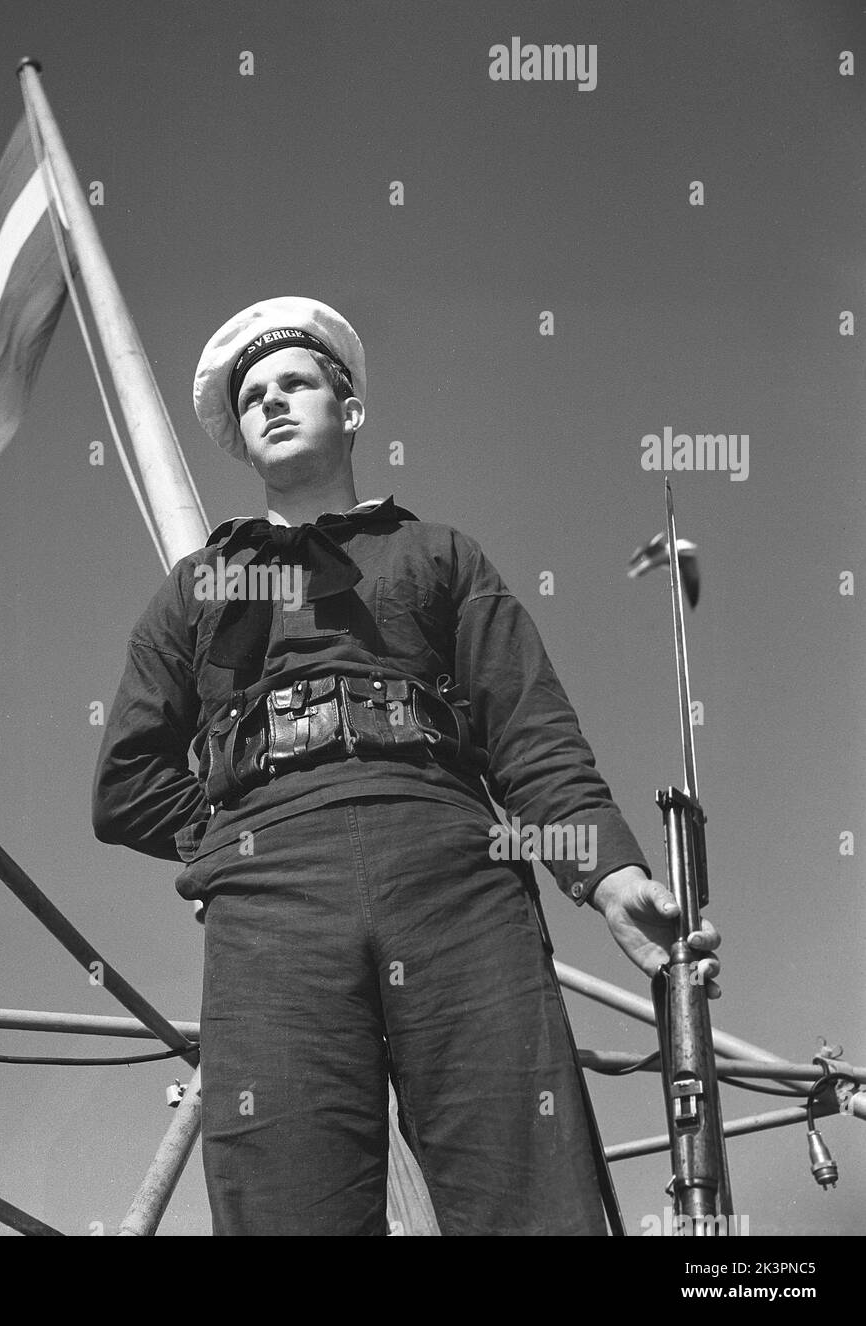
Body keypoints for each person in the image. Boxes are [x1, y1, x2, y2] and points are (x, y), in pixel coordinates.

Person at [92, 297, 720, 1236]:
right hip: (270, 902)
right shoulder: (194, 591)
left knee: (523, 1183)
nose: (271, 402)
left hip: (454, 873)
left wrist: (609, 873)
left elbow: (530, 734)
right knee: (283, 1194)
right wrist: (228, 841)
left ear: (347, 410)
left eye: (295, 383)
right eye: (253, 393)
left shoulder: (438, 555)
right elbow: (127, 782)